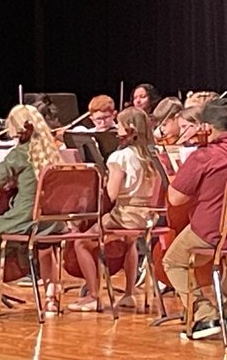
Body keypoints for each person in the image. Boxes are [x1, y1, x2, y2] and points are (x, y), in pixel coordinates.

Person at [163, 97, 227, 340]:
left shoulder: (204, 155)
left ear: (206, 128)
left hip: (212, 232)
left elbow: (175, 199)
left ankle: (204, 314)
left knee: (173, 261)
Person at [0, 105, 63, 318]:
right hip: (52, 220)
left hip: (25, 217)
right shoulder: (53, 151)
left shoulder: (19, 154)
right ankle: (51, 301)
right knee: (45, 245)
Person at [69, 107, 162, 312]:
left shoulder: (120, 158)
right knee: (129, 243)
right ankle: (129, 294)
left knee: (81, 242)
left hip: (125, 215)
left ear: (128, 129)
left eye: (119, 125)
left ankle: (94, 295)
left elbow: (111, 195)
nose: (116, 129)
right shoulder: (152, 154)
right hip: (147, 216)